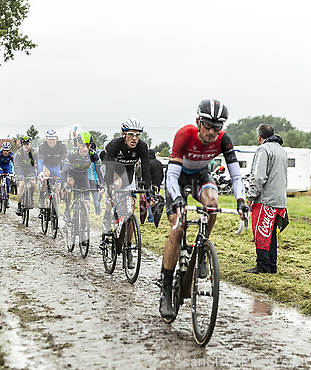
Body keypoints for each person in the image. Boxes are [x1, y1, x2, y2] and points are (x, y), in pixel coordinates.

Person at [159, 99, 248, 318]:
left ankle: (200, 250)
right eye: (207, 125)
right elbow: (171, 174)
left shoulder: (224, 140)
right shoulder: (185, 135)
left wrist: (241, 201)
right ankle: (167, 287)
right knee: (177, 230)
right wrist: (178, 199)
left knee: (212, 205)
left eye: (217, 127)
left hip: (200, 176)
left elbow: (236, 176)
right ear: (198, 121)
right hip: (177, 178)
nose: (211, 131)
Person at [101, 118, 152, 269]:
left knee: (131, 210)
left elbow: (146, 169)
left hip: (129, 176)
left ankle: (128, 248)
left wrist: (148, 191)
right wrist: (110, 188)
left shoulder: (143, 146)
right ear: (124, 134)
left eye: (138, 135)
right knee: (114, 190)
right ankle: (107, 219)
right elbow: (108, 169)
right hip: (113, 171)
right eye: (131, 134)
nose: (134, 138)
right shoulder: (114, 145)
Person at [245, 123, 288, 274]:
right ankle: (272, 266)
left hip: (265, 199)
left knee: (261, 233)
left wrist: (250, 196)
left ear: (259, 136)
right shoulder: (282, 151)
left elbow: (258, 176)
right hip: (279, 200)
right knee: (271, 235)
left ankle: (262, 266)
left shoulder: (263, 150)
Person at [61, 132, 103, 223]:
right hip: (71, 174)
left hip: (83, 177)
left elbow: (99, 172)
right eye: (83, 146)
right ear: (78, 144)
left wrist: (101, 184)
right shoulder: (72, 152)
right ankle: (67, 210)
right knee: (70, 184)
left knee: (87, 204)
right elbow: (64, 171)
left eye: (88, 146)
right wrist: (64, 185)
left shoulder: (93, 154)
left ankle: (83, 228)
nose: (85, 149)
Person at [37, 129, 67, 217]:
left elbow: (65, 161)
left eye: (53, 139)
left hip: (56, 167)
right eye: (49, 139)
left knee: (57, 191)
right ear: (46, 139)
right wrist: (40, 172)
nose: (51, 141)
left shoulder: (62, 146)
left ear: (57, 139)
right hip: (46, 166)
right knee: (45, 176)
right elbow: (40, 161)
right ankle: (42, 199)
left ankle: (55, 212)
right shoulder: (42, 146)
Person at [14, 136, 37, 216]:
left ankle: (31, 197)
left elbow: (37, 164)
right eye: (24, 144)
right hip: (21, 170)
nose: (26, 146)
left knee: (33, 183)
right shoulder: (19, 153)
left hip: (30, 170)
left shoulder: (34, 152)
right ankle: (19, 206)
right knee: (21, 184)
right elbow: (16, 165)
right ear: (21, 145)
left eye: (27, 144)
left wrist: (36, 174)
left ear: (30, 144)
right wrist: (18, 175)